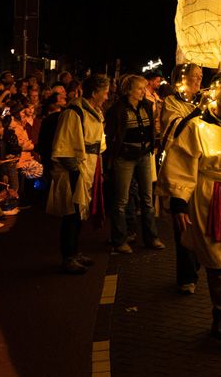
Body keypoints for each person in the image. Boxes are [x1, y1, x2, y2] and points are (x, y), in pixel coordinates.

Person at [161, 72, 221, 349]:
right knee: (218, 264)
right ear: (216, 92)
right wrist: (179, 201)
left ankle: (219, 317)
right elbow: (181, 162)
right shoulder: (196, 125)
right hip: (209, 197)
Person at [46, 75, 110, 274]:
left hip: (89, 167)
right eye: (105, 92)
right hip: (76, 168)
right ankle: (68, 257)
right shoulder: (74, 112)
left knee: (80, 213)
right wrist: (76, 173)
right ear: (94, 92)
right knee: (71, 213)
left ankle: (75, 251)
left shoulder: (95, 112)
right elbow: (64, 144)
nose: (107, 97)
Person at [104, 74, 163, 253]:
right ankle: (120, 239)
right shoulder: (117, 109)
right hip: (125, 157)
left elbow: (151, 127)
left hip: (144, 155)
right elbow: (112, 133)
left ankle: (151, 237)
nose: (143, 91)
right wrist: (114, 155)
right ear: (129, 90)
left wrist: (152, 145)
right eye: (139, 88)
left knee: (147, 199)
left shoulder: (147, 105)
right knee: (121, 200)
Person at [158, 63, 204, 293]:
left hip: (202, 172)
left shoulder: (203, 102)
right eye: (193, 76)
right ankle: (187, 277)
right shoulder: (171, 103)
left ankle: (196, 264)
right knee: (183, 223)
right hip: (181, 169)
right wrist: (199, 113)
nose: (198, 80)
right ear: (181, 79)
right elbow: (173, 130)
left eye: (200, 76)